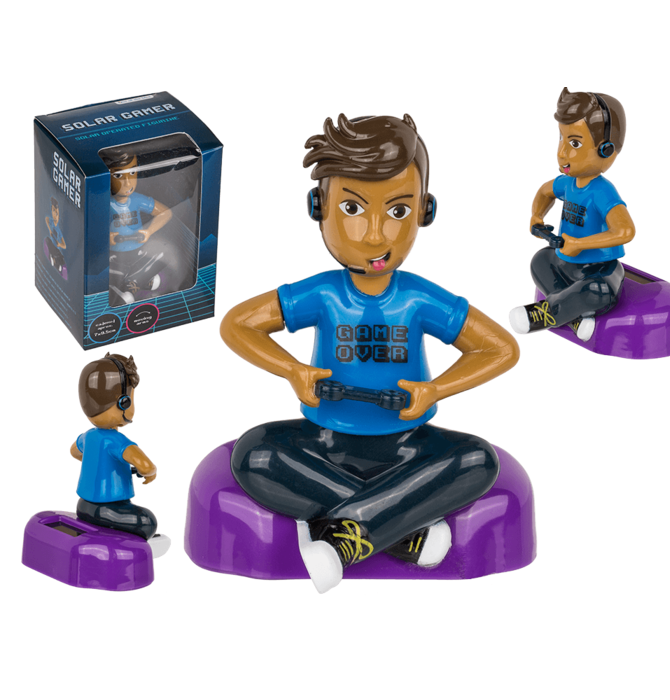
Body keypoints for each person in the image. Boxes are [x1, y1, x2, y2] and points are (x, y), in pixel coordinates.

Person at [221, 114, 519, 593]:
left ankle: (341, 536)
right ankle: (400, 531)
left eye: (398, 211)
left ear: (425, 211)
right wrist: (291, 369)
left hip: (409, 446)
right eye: (353, 208)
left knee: (477, 460)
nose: (375, 234)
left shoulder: (419, 298)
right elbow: (237, 324)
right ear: (318, 207)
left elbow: (500, 348)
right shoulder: (322, 293)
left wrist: (436, 389)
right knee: (255, 454)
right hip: (324, 444)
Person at [510, 88, 636, 342]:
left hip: (599, 269)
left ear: (606, 150)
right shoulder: (568, 183)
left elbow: (625, 230)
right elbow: (544, 191)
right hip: (567, 263)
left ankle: (545, 314)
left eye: (575, 143)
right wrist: (536, 216)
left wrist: (580, 243)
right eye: (561, 138)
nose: (562, 152)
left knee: (598, 292)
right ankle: (574, 313)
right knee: (539, 261)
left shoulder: (601, 191)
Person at [71, 353, 169, 555]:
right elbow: (146, 466)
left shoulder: (87, 436)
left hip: (83, 507)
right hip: (108, 509)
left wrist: (95, 463)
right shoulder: (116, 441)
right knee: (146, 521)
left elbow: (74, 452)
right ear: (123, 402)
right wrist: (151, 473)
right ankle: (135, 546)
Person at [101, 148, 172, 305]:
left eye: (132, 172)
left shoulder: (137, 200)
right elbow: (89, 226)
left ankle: (131, 283)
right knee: (111, 271)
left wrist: (148, 231)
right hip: (114, 256)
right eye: (119, 175)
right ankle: (138, 279)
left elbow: (165, 213)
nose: (128, 182)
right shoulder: (105, 203)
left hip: (138, 251)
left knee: (164, 254)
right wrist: (106, 236)